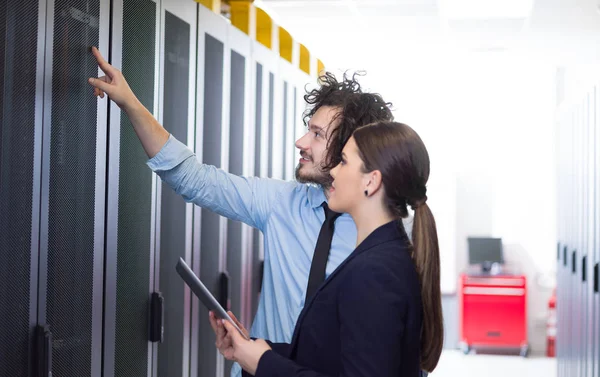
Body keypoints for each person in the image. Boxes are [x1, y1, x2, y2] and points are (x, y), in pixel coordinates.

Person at [87, 47, 395, 376]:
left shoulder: (381, 242)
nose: (301, 142)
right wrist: (129, 103)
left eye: (317, 135)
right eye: (308, 128)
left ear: (350, 149)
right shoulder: (282, 202)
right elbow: (193, 178)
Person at [210, 121, 444, 377]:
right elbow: (331, 359)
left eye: (343, 161)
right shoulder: (382, 255)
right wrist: (254, 351)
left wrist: (263, 364)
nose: (333, 171)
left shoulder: (375, 271)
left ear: (371, 181)